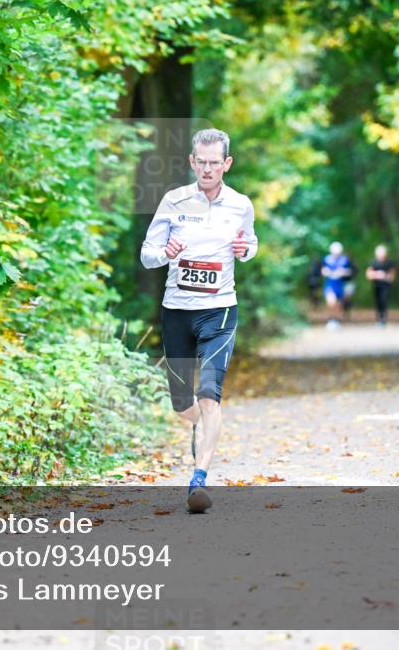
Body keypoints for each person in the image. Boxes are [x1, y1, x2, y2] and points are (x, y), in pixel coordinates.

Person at [140, 128, 258, 513]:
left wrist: (244, 250)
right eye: (201, 162)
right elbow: (147, 254)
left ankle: (199, 478)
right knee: (181, 404)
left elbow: (250, 245)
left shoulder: (241, 204)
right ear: (192, 162)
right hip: (176, 311)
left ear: (227, 164)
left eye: (214, 163)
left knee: (210, 394)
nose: (207, 169)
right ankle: (197, 425)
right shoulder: (174, 201)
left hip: (220, 311)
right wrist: (165, 251)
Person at [321, 241, 353, 330]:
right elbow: (323, 270)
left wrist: (343, 272)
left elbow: (350, 271)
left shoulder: (344, 260)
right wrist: (328, 272)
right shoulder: (327, 259)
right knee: (331, 302)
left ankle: (336, 320)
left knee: (338, 304)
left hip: (340, 285)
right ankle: (330, 319)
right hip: (330, 285)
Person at [366, 244, 396, 326]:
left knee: (384, 301)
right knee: (378, 302)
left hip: (386, 286)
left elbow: (392, 275)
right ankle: (378, 319)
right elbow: (368, 275)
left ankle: (384, 319)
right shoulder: (373, 263)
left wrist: (387, 277)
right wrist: (377, 274)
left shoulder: (389, 263)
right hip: (377, 286)